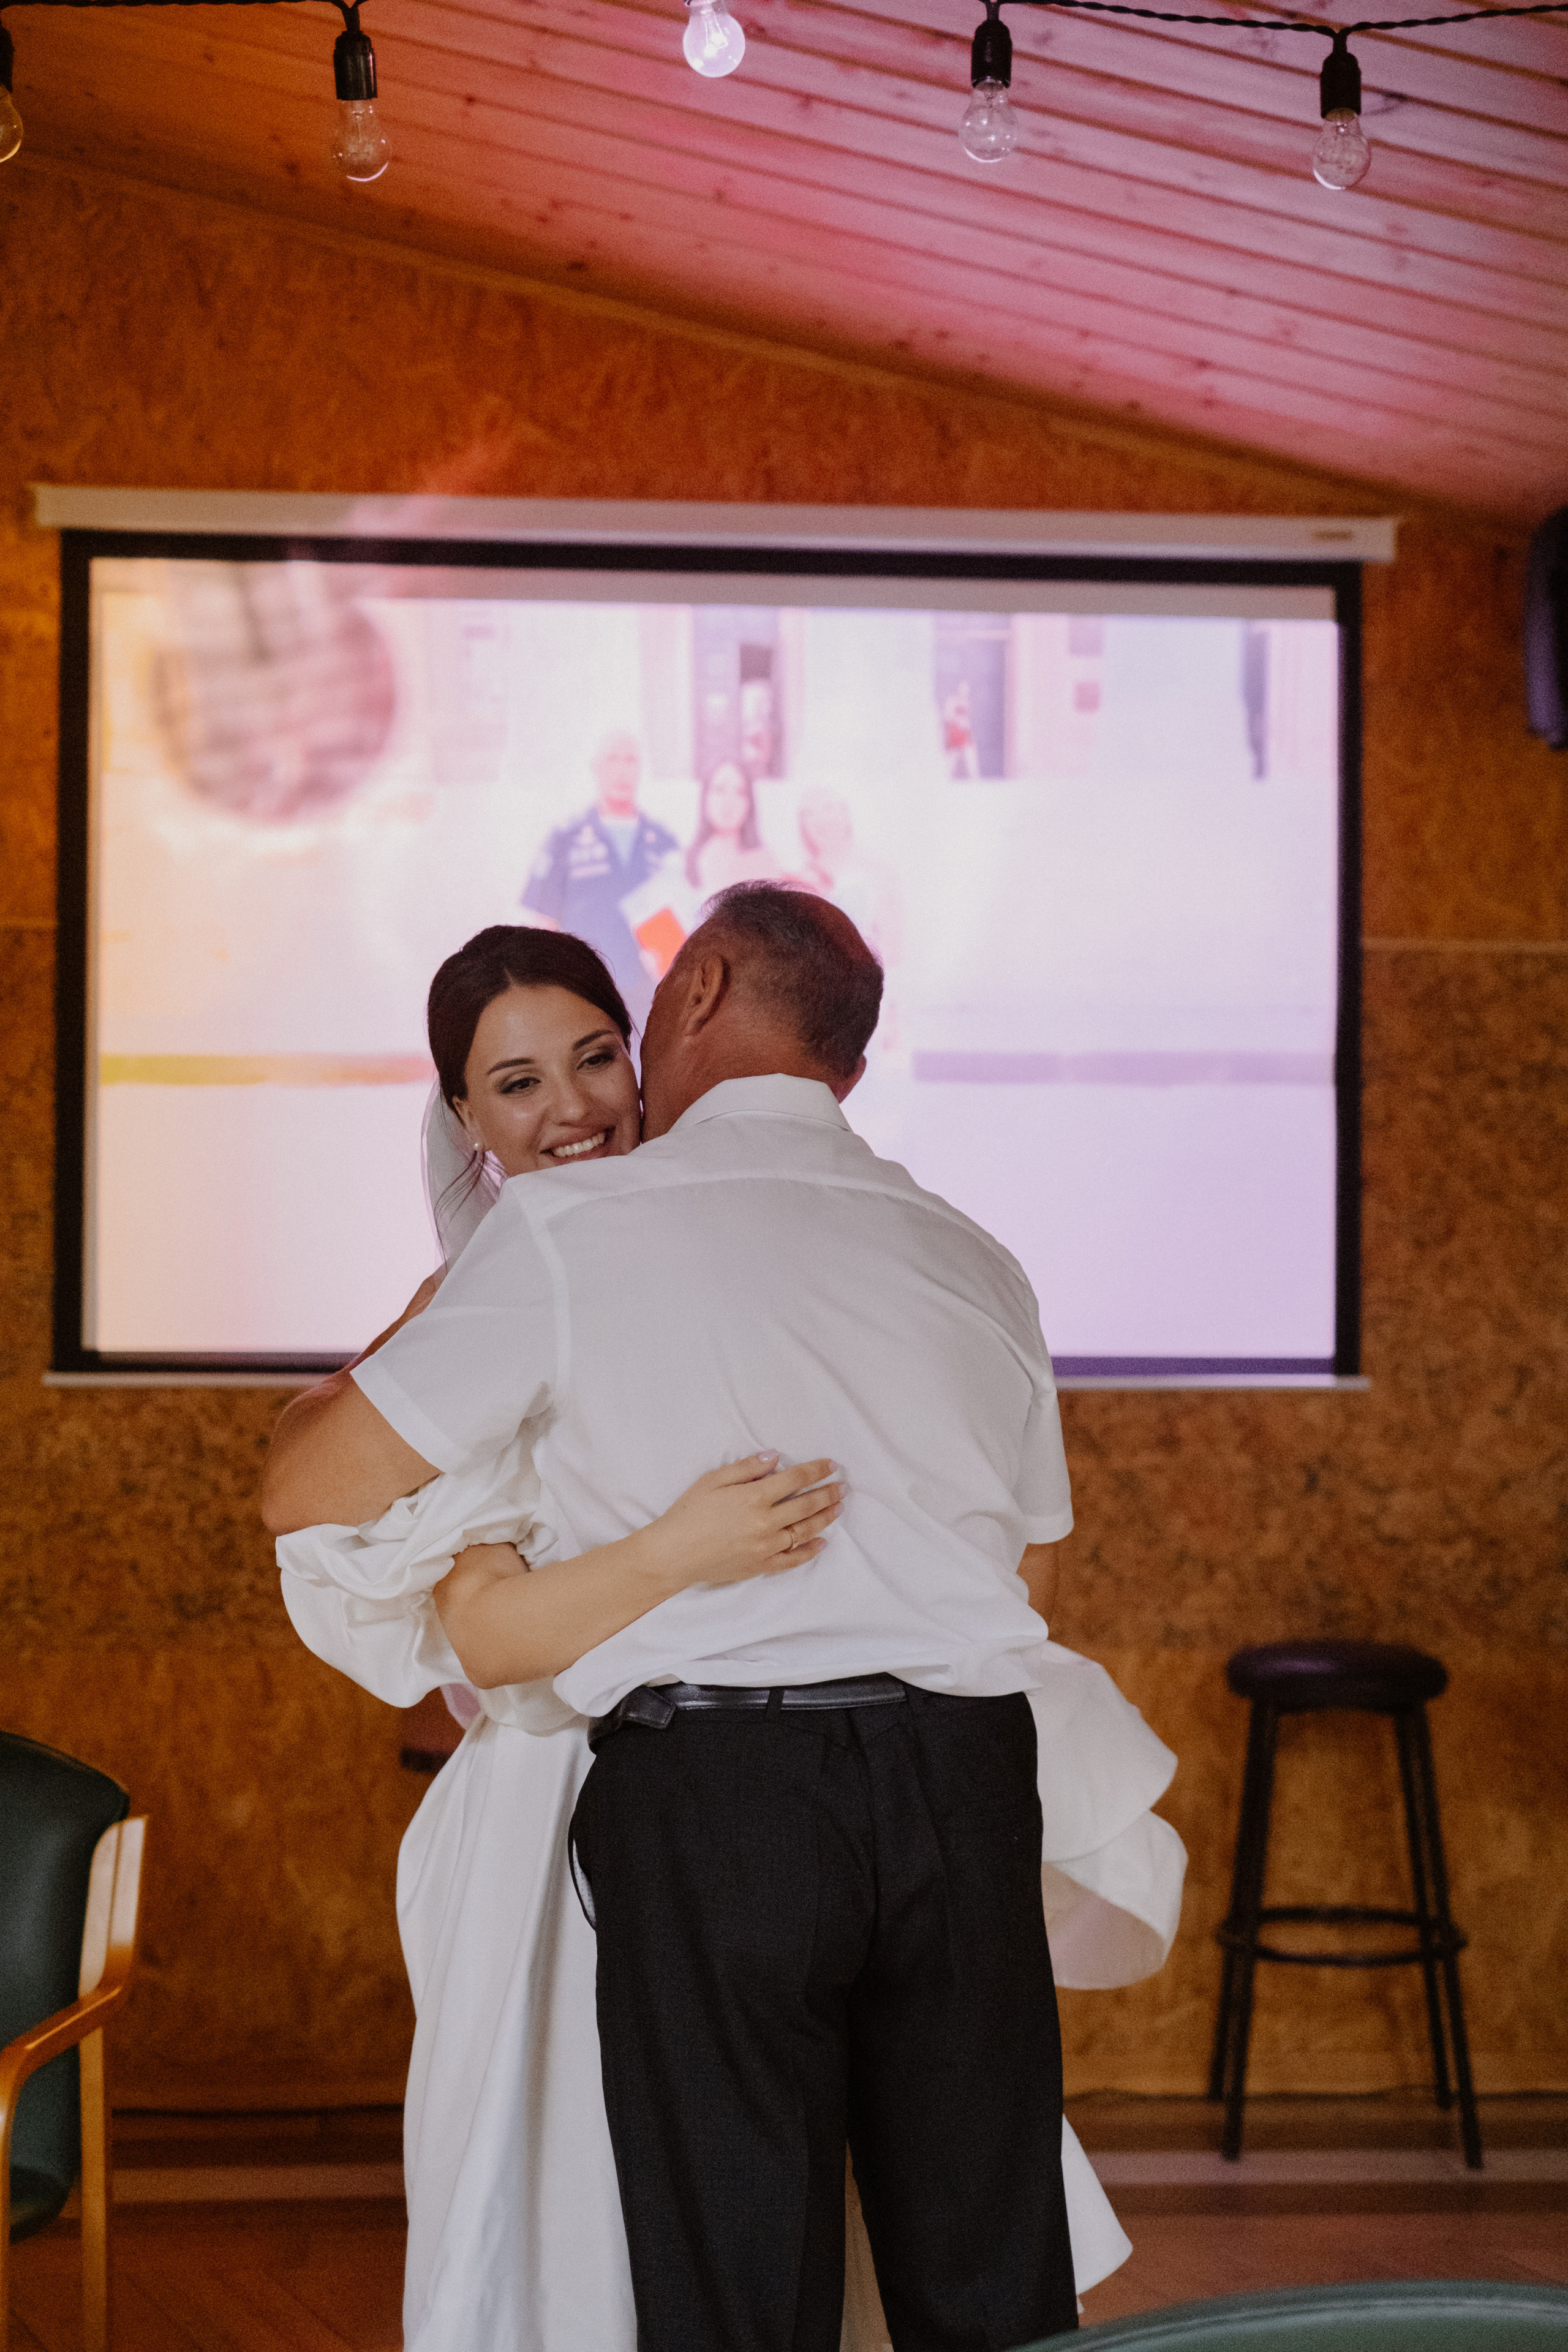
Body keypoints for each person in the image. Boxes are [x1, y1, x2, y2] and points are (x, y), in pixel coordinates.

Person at [265, 891, 1186, 2352]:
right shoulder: (972, 1253)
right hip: (955, 1777)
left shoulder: (571, 1236)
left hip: (714, 1793)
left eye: (591, 1056)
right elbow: (1028, 1583)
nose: (569, 1107)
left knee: (734, 2276)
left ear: (684, 1000)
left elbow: (308, 1487)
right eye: (516, 1082)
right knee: (981, 2275)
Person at [520, 731, 677, 1027]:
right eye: (612, 759)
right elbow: (545, 926)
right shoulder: (566, 838)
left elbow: (679, 925)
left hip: (651, 998)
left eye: (630, 760)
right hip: (585, 992)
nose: (622, 770)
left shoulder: (662, 842)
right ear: (595, 767)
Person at [685, 761, 784, 897]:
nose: (729, 801)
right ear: (705, 797)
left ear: (750, 803)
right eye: (719, 789)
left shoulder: (764, 861)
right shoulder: (686, 860)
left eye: (740, 792)